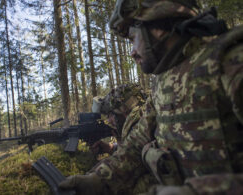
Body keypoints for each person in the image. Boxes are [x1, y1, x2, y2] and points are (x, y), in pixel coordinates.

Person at [60, 0, 243, 194]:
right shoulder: (162, 81)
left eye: (132, 38)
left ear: (158, 28)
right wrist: (101, 178)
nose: (131, 52)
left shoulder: (230, 60)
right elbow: (139, 140)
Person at [90, 83, 147, 155]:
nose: (108, 121)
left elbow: (129, 158)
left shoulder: (143, 134)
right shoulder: (145, 124)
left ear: (126, 113)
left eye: (110, 115)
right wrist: (112, 148)